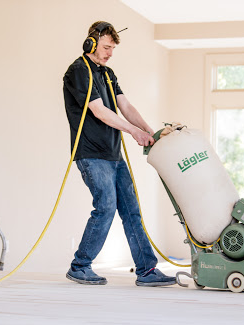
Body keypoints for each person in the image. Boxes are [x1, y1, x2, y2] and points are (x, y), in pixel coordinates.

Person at [62, 21, 176, 287]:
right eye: (106, 47)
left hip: (113, 154)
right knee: (105, 207)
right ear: (91, 42)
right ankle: (80, 266)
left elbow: (124, 105)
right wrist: (133, 133)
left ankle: (147, 271)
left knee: (131, 210)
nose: (110, 52)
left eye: (113, 48)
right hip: (91, 153)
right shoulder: (79, 71)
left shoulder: (107, 73)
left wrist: (151, 131)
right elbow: (100, 110)